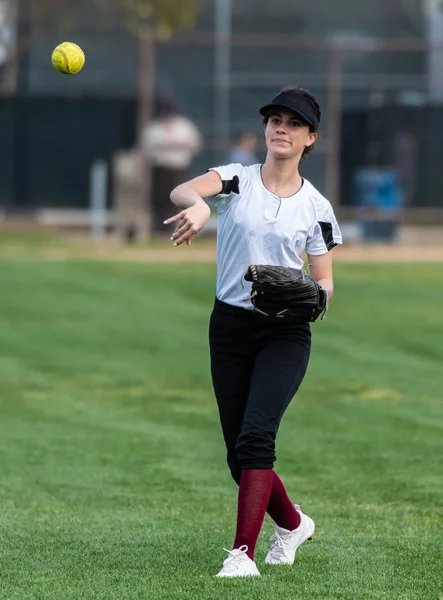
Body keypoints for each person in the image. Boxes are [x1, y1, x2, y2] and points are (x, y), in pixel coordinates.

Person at [165, 86, 343, 577]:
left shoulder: (316, 206)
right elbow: (183, 191)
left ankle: (241, 555)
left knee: (257, 437)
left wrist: (316, 296)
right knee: (236, 458)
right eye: (274, 119)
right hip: (229, 328)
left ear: (311, 138)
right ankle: (292, 524)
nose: (280, 128)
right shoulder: (235, 180)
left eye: (293, 122)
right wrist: (200, 207)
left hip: (284, 333)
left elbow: (325, 279)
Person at [141, 95, 202, 234]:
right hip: (160, 169)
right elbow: (146, 148)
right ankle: (159, 228)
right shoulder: (154, 129)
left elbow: (195, 144)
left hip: (179, 168)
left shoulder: (184, 126)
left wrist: (178, 145)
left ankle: (178, 228)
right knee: (160, 200)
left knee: (179, 199)